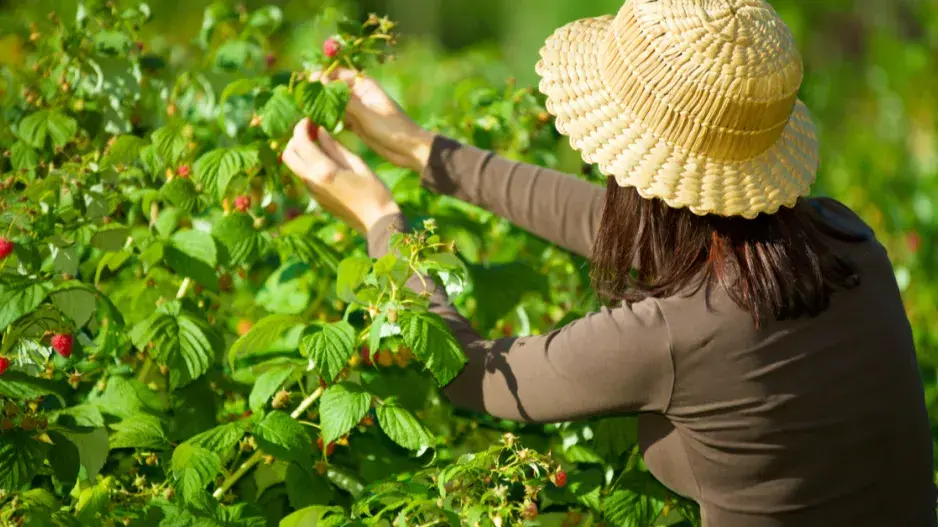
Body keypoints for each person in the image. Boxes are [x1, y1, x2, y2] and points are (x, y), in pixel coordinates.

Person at [281, 0, 936, 525]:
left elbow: (474, 375)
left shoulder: (671, 336)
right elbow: (631, 230)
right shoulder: (845, 240)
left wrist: (380, 222)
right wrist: (423, 150)